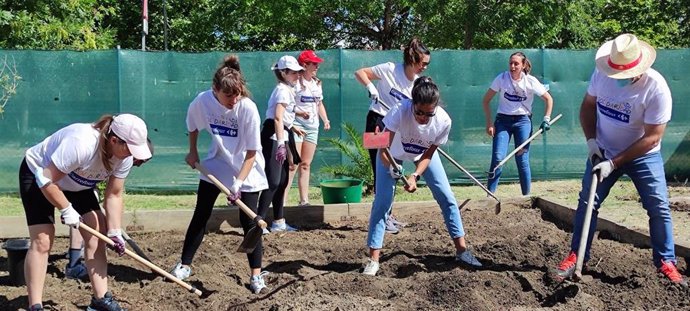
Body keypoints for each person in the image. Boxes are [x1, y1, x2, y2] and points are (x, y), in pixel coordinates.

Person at [552, 33, 687, 286]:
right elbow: (587, 107)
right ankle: (576, 256)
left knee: (658, 206)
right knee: (587, 203)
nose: (619, 79)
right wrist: (592, 142)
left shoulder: (656, 88)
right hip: (603, 150)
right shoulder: (602, 75)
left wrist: (614, 163)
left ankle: (666, 262)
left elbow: (653, 137)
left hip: (643, 156)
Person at [20, 113, 152, 311]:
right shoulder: (81, 143)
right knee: (43, 239)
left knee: (97, 232)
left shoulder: (124, 155)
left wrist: (114, 231)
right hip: (39, 175)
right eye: (130, 149)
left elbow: (114, 194)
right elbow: (46, 178)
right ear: (114, 140)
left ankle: (100, 301)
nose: (132, 156)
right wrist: (66, 208)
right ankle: (35, 305)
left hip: (78, 182)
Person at [169, 55, 271, 294]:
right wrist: (192, 153)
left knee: (250, 223)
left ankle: (256, 276)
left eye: (237, 95)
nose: (233, 101)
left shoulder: (247, 108)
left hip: (247, 168)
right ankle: (184, 265)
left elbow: (252, 152)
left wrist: (239, 183)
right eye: (228, 96)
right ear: (215, 89)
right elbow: (192, 126)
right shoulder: (203, 101)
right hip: (216, 164)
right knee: (201, 213)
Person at [361, 76, 482, 276]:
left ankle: (462, 250)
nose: (423, 118)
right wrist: (393, 169)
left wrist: (415, 176)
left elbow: (428, 154)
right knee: (382, 201)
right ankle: (373, 259)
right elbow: (383, 150)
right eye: (419, 112)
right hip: (392, 153)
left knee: (447, 197)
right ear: (413, 103)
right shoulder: (400, 110)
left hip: (421, 153)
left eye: (429, 114)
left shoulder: (443, 121)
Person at [354, 37, 430, 234]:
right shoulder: (389, 69)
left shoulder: (417, 85)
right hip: (377, 120)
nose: (425, 68)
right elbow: (360, 72)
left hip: (398, 127)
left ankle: (389, 214)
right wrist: (370, 87)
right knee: (381, 169)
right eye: (423, 63)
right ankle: (381, 217)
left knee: (395, 170)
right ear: (413, 59)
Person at [65, 139, 154, 281]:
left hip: (89, 182)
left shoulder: (123, 161)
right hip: (72, 178)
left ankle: (84, 262)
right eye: (139, 161)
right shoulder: (102, 151)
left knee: (97, 222)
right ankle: (74, 263)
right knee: (81, 217)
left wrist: (114, 231)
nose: (137, 165)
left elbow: (113, 193)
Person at [482, 51, 554, 196]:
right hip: (502, 121)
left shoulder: (531, 81)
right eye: (511, 63)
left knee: (522, 159)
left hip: (523, 121)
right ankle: (490, 196)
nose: (513, 66)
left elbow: (549, 99)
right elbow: (486, 100)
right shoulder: (501, 78)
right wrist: (490, 123)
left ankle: (526, 197)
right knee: (498, 158)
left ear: (523, 65)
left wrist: (546, 119)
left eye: (516, 64)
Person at [258, 55, 304, 233]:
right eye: (294, 72)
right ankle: (258, 222)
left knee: (283, 180)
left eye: (298, 72)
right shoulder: (282, 90)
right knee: (273, 181)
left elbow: (284, 117)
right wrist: (280, 143)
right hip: (273, 136)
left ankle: (278, 221)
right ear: (284, 73)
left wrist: (293, 127)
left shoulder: (287, 89)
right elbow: (277, 118)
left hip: (282, 134)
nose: (297, 75)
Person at [284, 50, 331, 206]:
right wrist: (299, 113)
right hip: (297, 125)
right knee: (293, 164)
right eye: (314, 63)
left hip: (312, 127)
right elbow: (287, 105)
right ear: (304, 65)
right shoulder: (295, 83)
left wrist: (325, 119)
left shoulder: (317, 83)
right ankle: (281, 203)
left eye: (317, 63)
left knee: (306, 164)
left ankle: (304, 201)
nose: (317, 66)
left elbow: (319, 104)